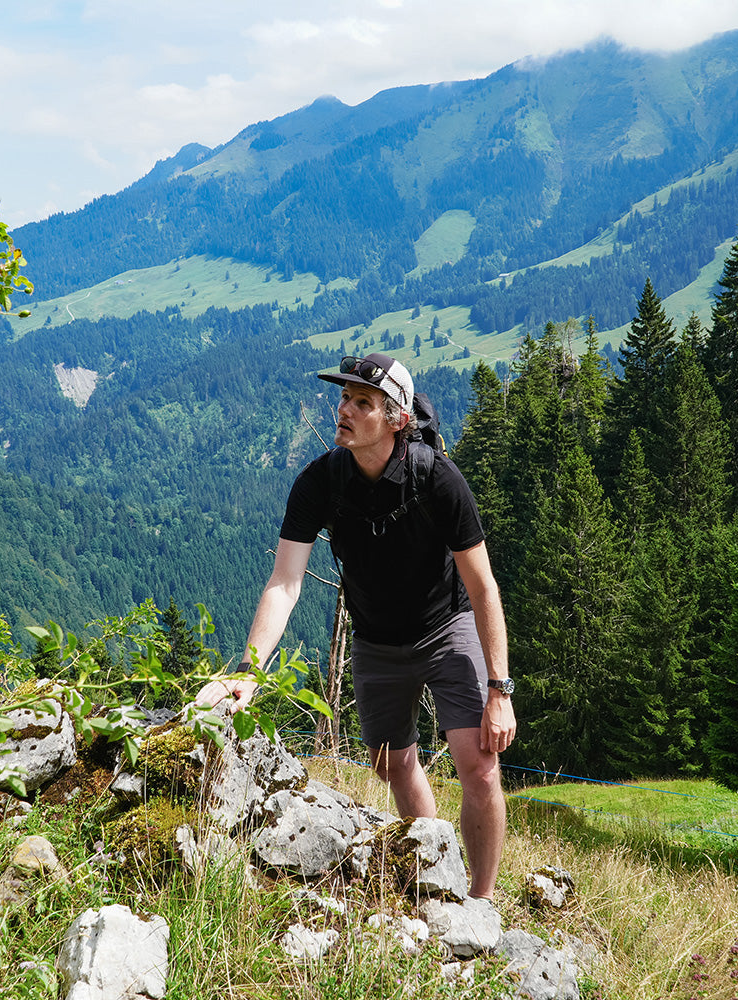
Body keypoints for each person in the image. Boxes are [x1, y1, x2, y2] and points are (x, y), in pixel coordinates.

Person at [196, 352, 516, 900]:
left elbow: (484, 586)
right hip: (374, 640)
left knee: (480, 766)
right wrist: (250, 669)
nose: (343, 409)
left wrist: (499, 688)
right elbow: (285, 582)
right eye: (344, 398)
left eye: (361, 402)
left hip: (445, 626)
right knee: (392, 764)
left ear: (397, 418)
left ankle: (482, 905)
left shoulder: (437, 479)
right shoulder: (321, 482)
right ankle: (437, 870)